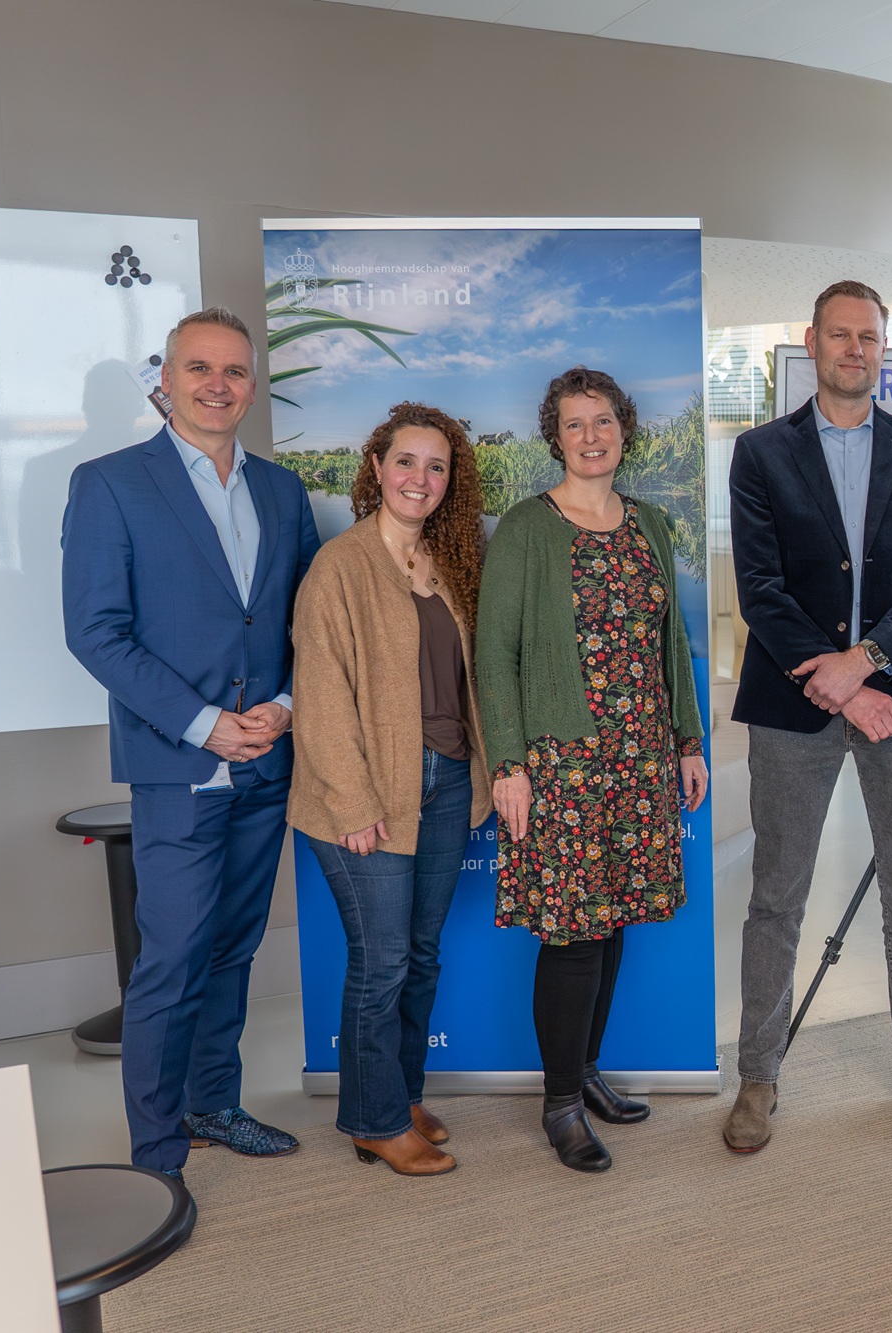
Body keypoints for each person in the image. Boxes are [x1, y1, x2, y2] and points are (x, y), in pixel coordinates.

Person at [61, 307, 321, 1181]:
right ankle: (156, 1156)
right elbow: (96, 632)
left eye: (235, 370)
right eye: (199, 368)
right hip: (179, 764)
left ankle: (214, 1103)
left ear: (253, 385)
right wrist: (208, 724)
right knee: (171, 960)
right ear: (166, 381)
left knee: (232, 949)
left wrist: (285, 705)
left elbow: (308, 623)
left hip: (268, 760)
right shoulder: (109, 484)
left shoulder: (282, 491)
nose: (218, 384)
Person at [721, 279, 892, 1154]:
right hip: (792, 706)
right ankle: (759, 1077)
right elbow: (761, 588)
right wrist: (840, 684)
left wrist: (866, 665)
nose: (854, 349)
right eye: (839, 335)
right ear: (812, 342)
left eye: (868, 336)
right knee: (776, 899)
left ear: (882, 348)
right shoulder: (761, 453)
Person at [477, 368, 709, 1174]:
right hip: (562, 765)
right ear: (556, 437)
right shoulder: (525, 528)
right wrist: (508, 763)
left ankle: (586, 1071)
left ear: (623, 429)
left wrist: (687, 740)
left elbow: (671, 643)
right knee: (574, 933)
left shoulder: (650, 524)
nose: (590, 436)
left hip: (640, 759)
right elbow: (494, 657)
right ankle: (560, 1103)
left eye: (602, 420)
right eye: (574, 424)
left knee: (612, 924)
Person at [289, 403, 492, 1177]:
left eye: (437, 466)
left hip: (445, 782)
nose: (420, 478)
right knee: (382, 961)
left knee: (421, 955)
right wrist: (352, 803)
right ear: (376, 467)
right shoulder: (339, 566)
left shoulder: (447, 564)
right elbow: (321, 696)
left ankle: (400, 1096)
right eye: (406, 461)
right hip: (364, 792)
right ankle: (374, 1121)